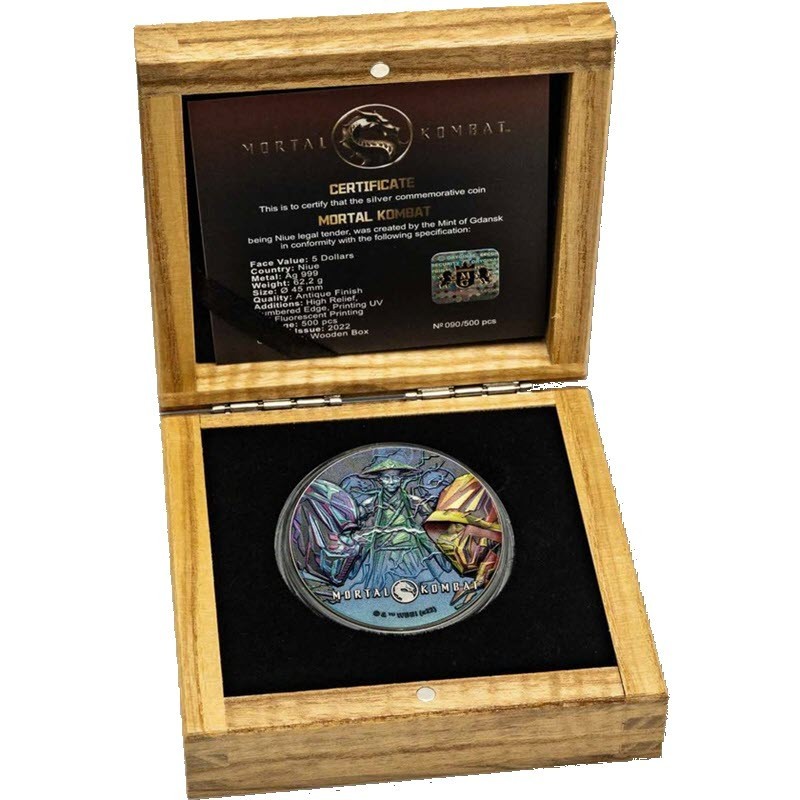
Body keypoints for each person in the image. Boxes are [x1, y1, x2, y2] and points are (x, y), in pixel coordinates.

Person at [350, 456, 450, 591]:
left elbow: (433, 530)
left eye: (395, 477)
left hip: (411, 553)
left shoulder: (415, 502)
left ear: (401, 479)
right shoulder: (369, 504)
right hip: (382, 556)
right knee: (378, 591)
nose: (391, 482)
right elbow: (362, 534)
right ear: (380, 480)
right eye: (387, 478)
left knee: (421, 586)